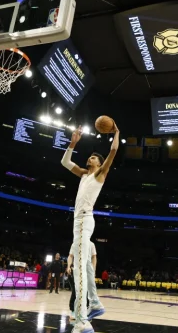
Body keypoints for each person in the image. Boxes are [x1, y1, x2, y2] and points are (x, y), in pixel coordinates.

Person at [61, 122, 120, 333]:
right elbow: (65, 162)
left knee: (78, 269)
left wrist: (116, 132)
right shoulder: (84, 174)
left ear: (100, 163)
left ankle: (81, 320)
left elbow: (113, 151)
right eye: (90, 157)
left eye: (94, 157)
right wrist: (72, 143)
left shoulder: (99, 175)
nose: (90, 158)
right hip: (81, 222)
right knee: (85, 266)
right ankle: (94, 302)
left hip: (84, 221)